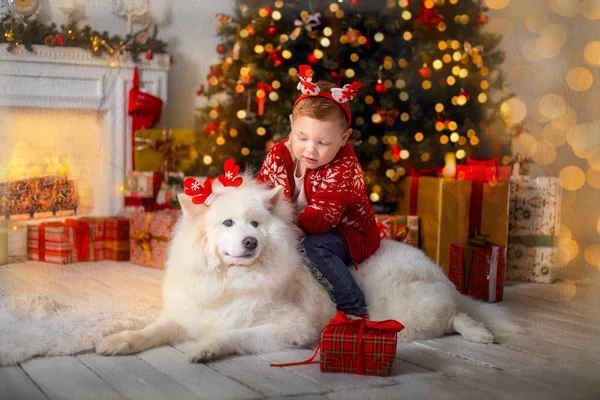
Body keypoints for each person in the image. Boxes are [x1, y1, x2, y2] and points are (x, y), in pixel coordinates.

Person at [257, 65, 381, 319]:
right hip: (302, 226)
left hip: (347, 232)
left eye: (323, 143)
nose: (310, 150)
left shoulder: (345, 166)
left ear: (344, 138)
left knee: (315, 247)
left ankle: (354, 307)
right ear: (292, 124)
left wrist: (287, 231)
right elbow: (265, 194)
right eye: (302, 137)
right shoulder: (279, 154)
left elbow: (323, 217)